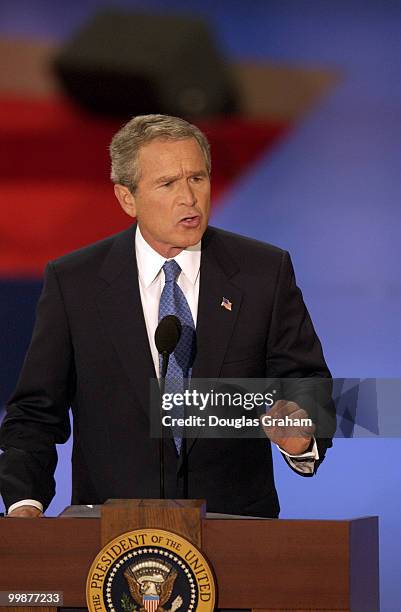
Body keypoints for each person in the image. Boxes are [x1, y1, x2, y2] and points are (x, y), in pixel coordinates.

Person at [0, 114, 333, 518]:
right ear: (127, 198)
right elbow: (36, 412)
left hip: (237, 534)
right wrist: (25, 503)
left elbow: (306, 383)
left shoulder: (263, 272)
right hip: (111, 538)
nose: (189, 198)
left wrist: (301, 437)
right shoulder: (75, 283)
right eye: (167, 184)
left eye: (197, 178)